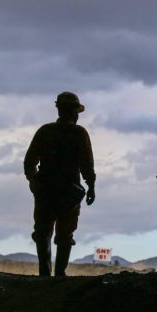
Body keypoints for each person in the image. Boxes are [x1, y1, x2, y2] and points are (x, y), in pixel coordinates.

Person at [24, 92, 96, 277]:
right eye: (77, 111)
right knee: (65, 233)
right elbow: (87, 165)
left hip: (45, 190)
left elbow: (29, 161)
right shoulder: (79, 134)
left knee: (43, 231)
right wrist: (91, 187)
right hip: (69, 192)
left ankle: (44, 273)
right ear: (73, 111)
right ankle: (59, 274)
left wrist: (34, 182)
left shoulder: (45, 131)